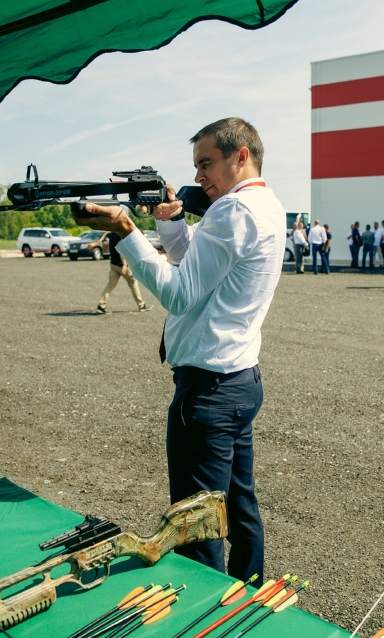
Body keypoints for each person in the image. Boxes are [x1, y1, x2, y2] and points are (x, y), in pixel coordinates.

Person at [72, 117, 283, 585]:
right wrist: (169, 224)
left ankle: (206, 609)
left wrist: (126, 229)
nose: (199, 176)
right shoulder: (264, 204)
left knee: (196, 524)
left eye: (206, 164)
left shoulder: (231, 210)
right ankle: (250, 595)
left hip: (208, 391)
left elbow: (180, 294)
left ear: (240, 156)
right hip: (239, 380)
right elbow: (200, 267)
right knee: (239, 506)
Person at [95, 232, 152, 314]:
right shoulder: (120, 234)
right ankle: (141, 305)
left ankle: (101, 305)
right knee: (133, 284)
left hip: (113, 264)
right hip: (122, 265)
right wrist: (124, 265)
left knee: (110, 285)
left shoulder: (112, 234)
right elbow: (121, 251)